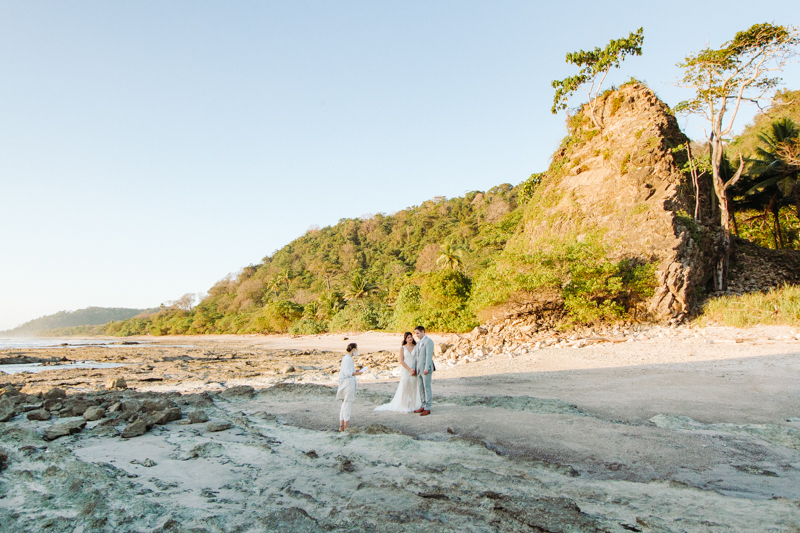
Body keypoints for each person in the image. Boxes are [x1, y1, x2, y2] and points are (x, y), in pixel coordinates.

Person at [374, 332, 422, 413]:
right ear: (405, 339)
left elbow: (418, 358)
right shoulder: (402, 348)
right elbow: (401, 360)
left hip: (414, 368)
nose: (410, 338)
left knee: (413, 387)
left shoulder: (416, 347)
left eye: (411, 337)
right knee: (405, 387)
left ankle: (412, 405)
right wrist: (409, 369)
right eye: (408, 337)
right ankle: (404, 406)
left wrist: (415, 369)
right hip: (406, 369)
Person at [336, 343, 364, 431]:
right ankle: (346, 426)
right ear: (353, 349)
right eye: (356, 349)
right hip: (348, 383)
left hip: (344, 382)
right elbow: (347, 373)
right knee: (347, 404)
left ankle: (341, 426)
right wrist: (356, 373)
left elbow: (346, 370)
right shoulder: (348, 359)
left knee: (344, 404)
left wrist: (354, 371)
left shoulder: (345, 358)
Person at [413, 325, 434, 416]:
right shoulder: (418, 343)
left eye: (418, 333)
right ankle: (423, 405)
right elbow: (415, 357)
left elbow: (429, 356)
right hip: (418, 369)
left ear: (423, 332)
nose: (416, 335)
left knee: (427, 388)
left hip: (425, 369)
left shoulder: (428, 341)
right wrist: (414, 369)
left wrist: (427, 367)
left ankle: (428, 407)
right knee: (420, 388)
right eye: (416, 333)